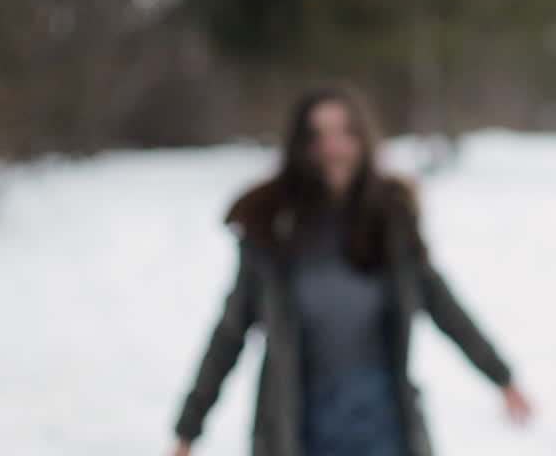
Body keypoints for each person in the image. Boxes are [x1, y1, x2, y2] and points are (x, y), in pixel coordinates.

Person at [172, 87, 533, 456]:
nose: (333, 148)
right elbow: (229, 334)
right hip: (296, 431)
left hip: (384, 430)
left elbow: (444, 307)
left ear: (363, 138)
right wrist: (189, 427)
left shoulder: (390, 218)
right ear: (300, 145)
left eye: (345, 132)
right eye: (318, 136)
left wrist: (501, 377)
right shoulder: (271, 224)